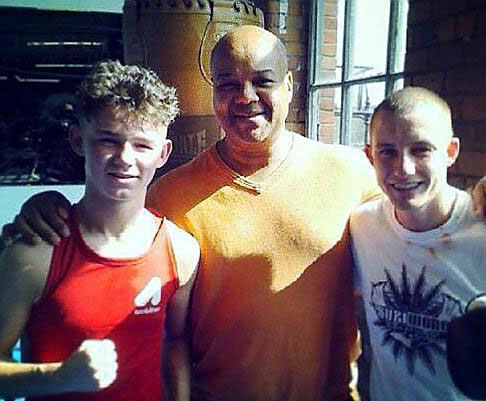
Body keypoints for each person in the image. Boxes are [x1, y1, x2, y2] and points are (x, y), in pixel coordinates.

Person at [2, 28, 486, 401]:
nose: (245, 96)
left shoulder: (352, 172)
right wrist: (45, 208)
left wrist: (480, 200)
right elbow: (111, 227)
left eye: (263, 80)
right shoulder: (168, 195)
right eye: (228, 83)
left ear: (291, 87)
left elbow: (421, 212)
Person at [0, 60, 199, 401]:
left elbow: (175, 343)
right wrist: (57, 377)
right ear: (78, 140)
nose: (124, 157)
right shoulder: (34, 251)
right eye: (108, 140)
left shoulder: (181, 251)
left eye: (142, 145)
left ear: (163, 153)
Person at [350, 87, 486, 401]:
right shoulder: (362, 225)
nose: (403, 168)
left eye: (421, 150)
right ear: (370, 155)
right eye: (387, 151)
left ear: (451, 152)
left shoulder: (481, 229)